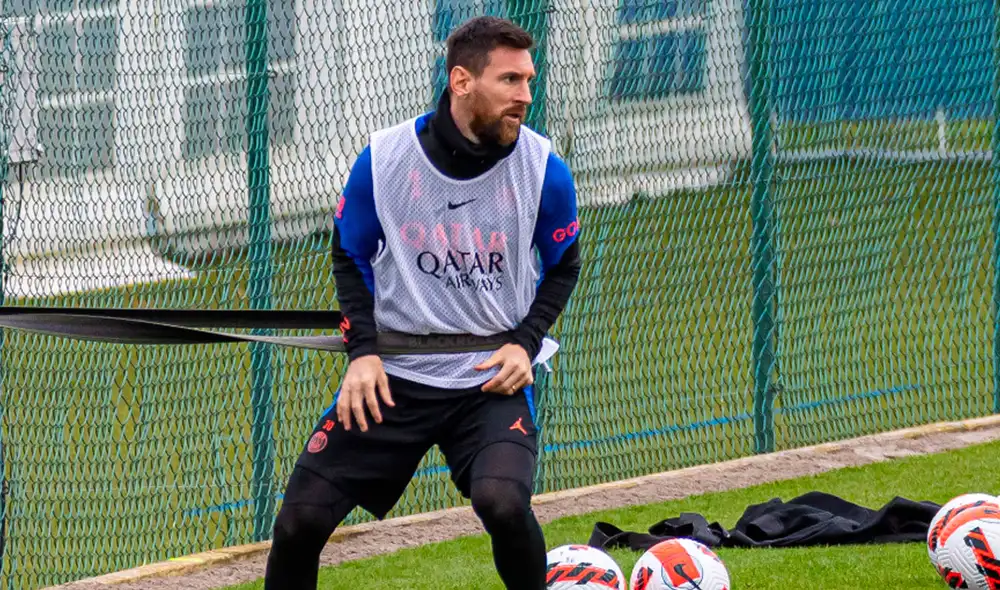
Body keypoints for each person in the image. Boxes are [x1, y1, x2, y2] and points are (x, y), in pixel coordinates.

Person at [264, 15, 582, 589]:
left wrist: (524, 343)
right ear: (462, 81)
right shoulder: (385, 159)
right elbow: (350, 255)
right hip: (395, 376)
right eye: (510, 81)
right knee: (298, 524)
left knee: (503, 503)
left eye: (529, 80)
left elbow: (564, 267)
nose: (525, 97)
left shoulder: (543, 170)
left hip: (487, 380)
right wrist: (361, 352)